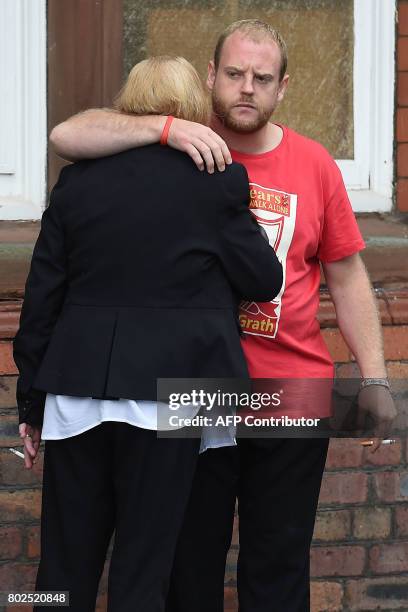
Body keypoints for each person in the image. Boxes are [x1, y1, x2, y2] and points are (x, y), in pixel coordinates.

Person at [49, 20, 396, 612]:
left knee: (279, 563)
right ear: (211, 76)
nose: (246, 88)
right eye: (234, 74)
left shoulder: (314, 165)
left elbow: (346, 275)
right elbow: (67, 134)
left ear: (283, 87)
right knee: (188, 563)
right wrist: (162, 127)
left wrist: (374, 378)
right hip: (194, 389)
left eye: (262, 78)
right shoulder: (175, 146)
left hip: (292, 388)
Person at [13, 55, 283, 612]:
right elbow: (264, 278)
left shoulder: (75, 184)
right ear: (191, 107)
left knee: (63, 567)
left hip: (76, 395)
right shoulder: (217, 181)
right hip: (172, 400)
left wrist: (31, 404)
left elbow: (42, 303)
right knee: (143, 568)